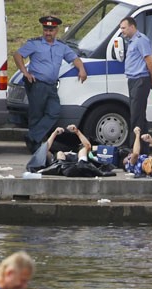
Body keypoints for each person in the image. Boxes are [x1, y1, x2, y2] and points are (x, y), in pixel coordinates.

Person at [13, 16, 87, 154]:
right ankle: (35, 145)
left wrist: (81, 69)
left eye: (51, 30)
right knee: (36, 115)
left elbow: (74, 58)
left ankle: (33, 137)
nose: (48, 33)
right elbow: (17, 55)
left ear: (56, 30)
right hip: (37, 85)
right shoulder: (34, 44)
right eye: (46, 30)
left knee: (54, 112)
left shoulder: (61, 46)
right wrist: (25, 73)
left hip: (51, 86)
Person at [119, 16, 152, 155]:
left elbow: (150, 62)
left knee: (135, 116)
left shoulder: (141, 40)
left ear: (132, 27)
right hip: (134, 80)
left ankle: (133, 150)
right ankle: (143, 150)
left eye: (123, 28)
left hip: (141, 80)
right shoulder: (132, 41)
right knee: (140, 116)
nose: (121, 31)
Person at [26, 124, 116, 178]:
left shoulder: (79, 152)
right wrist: (54, 133)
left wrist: (77, 131)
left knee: (83, 150)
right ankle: (63, 164)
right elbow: (45, 149)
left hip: (80, 164)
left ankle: (82, 162)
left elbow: (88, 146)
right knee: (60, 153)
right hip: (62, 165)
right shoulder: (56, 155)